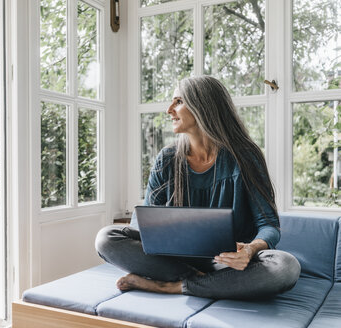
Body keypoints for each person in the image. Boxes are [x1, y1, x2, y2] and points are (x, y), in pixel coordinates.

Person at [95, 76, 301, 300]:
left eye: (178, 102)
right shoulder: (167, 158)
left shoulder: (245, 157)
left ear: (203, 107)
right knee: (106, 237)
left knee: (286, 266)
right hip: (174, 260)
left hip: (228, 264)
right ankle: (203, 282)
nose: (169, 110)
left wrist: (250, 250)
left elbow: (269, 225)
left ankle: (173, 286)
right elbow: (143, 224)